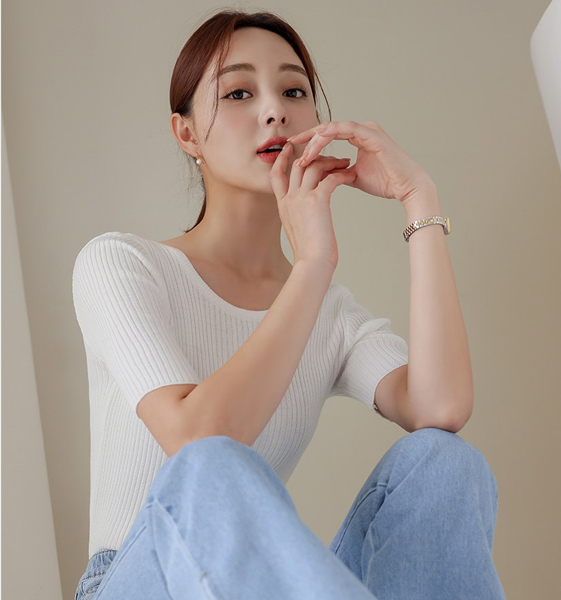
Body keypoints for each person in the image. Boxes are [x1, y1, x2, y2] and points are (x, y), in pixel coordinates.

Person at [71, 8, 506, 600]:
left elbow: (442, 408)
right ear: (187, 134)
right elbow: (199, 440)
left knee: (444, 461)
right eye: (239, 92)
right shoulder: (122, 264)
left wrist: (418, 199)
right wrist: (312, 265)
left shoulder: (330, 314)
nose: (274, 109)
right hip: (136, 578)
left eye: (294, 91)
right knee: (208, 468)